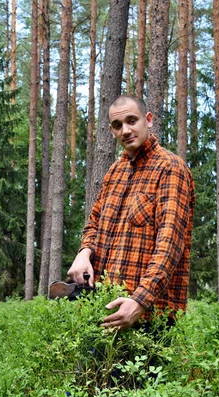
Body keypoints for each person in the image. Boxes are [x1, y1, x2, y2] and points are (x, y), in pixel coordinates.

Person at [68, 95, 195, 331]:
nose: (125, 130)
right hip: (105, 309)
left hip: (150, 318)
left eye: (132, 121)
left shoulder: (170, 169)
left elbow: (169, 246)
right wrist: (84, 252)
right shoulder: (115, 171)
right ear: (112, 130)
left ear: (148, 120)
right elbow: (94, 222)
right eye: (118, 125)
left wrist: (139, 301)